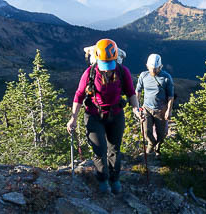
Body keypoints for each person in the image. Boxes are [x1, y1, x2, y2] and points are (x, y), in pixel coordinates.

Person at [67, 38, 141, 194]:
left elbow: (130, 92)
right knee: (99, 150)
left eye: (109, 66)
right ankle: (103, 179)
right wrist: (73, 117)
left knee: (114, 150)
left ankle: (115, 179)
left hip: (116, 115)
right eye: (104, 66)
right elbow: (79, 95)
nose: (107, 70)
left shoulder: (122, 71)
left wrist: (136, 109)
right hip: (94, 115)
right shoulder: (90, 73)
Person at [136, 54, 174, 157]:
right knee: (147, 132)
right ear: (147, 66)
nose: (153, 71)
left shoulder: (166, 78)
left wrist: (168, 111)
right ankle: (151, 145)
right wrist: (138, 108)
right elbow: (138, 92)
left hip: (161, 110)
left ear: (160, 67)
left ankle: (157, 150)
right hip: (146, 108)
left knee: (161, 135)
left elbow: (171, 96)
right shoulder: (144, 76)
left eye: (156, 69)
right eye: (152, 69)